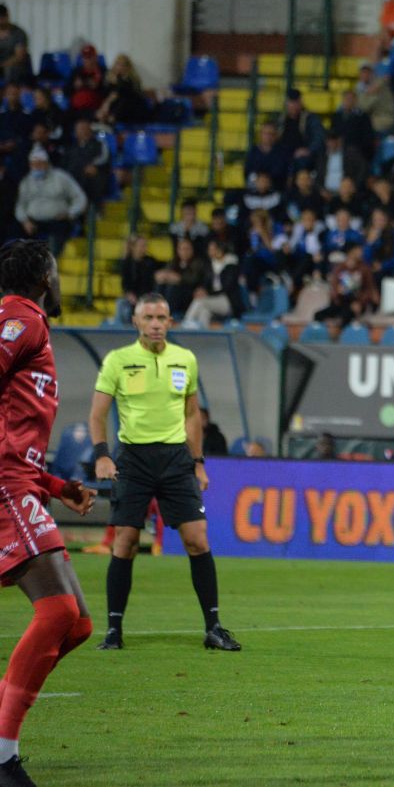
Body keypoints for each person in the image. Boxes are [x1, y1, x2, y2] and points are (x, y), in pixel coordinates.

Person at [89, 293, 241, 652]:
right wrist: (102, 456)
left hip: (175, 460)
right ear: (136, 322)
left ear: (171, 322)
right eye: (149, 317)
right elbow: (97, 414)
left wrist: (198, 461)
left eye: (162, 317)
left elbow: (191, 415)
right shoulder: (118, 361)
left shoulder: (185, 359)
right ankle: (113, 631)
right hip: (134, 459)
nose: (156, 324)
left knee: (197, 540)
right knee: (125, 543)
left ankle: (214, 627)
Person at [0, 239, 97, 786]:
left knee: (78, 624)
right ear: (42, 276)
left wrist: (56, 485)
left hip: (23, 483)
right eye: (57, 272)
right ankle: (2, 757)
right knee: (58, 613)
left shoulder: (28, 322)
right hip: (7, 486)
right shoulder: (22, 320)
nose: (60, 282)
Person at [15, 147, 87, 257]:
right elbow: (20, 205)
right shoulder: (26, 181)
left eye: (40, 164)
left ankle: (51, 264)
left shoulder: (61, 177)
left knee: (57, 235)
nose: (37, 167)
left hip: (58, 221)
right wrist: (25, 221)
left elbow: (80, 198)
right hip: (33, 222)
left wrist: (70, 213)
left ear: (47, 164)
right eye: (34, 165)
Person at [0, 5, 32, 86]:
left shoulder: (18, 33)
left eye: (3, 16)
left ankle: (10, 91)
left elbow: (19, 57)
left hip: (13, 68)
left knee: (11, 70)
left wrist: (2, 65)